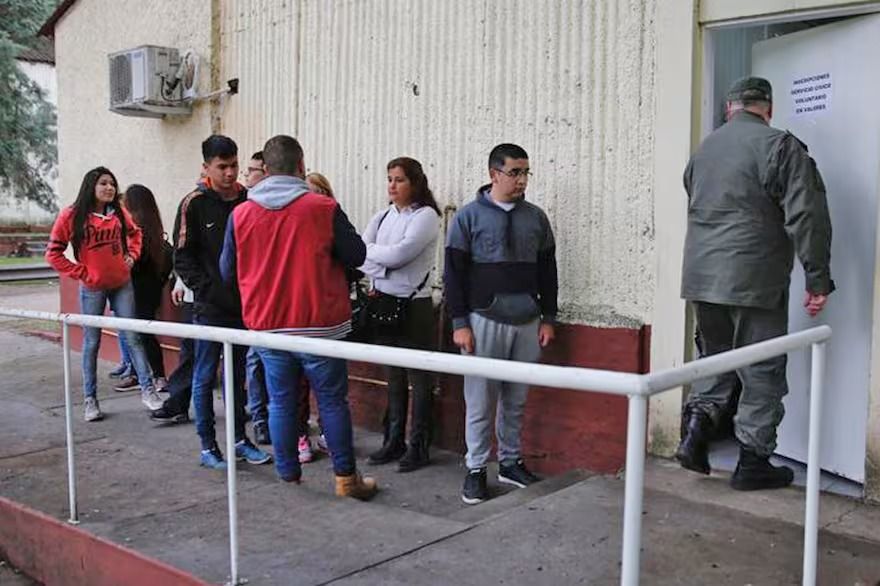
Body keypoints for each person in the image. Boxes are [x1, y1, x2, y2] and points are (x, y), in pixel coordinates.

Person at [676, 77, 834, 491]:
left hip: (701, 277)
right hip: (753, 278)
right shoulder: (780, 146)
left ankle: (694, 435)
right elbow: (807, 216)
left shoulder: (704, 150)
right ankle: (753, 463)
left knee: (714, 357)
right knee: (761, 367)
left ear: (730, 109)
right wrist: (817, 277)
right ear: (769, 108)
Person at [220, 134, 377, 499]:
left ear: (266, 169)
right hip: (320, 324)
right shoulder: (323, 207)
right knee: (332, 402)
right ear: (301, 166)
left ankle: (288, 474)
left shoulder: (240, 214)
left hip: (268, 325)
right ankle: (345, 479)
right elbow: (356, 254)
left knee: (280, 402)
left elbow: (227, 271)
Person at [444, 143, 558, 505]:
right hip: (482, 321)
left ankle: (510, 462)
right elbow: (453, 274)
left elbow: (548, 272)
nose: (522, 180)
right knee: (480, 400)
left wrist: (548, 317)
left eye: (526, 172)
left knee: (516, 399)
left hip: (527, 321)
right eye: (515, 172)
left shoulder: (536, 218)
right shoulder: (468, 217)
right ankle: (476, 468)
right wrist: (460, 323)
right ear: (494, 174)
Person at [174, 135, 271, 470]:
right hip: (208, 309)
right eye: (222, 167)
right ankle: (208, 446)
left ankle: (240, 440)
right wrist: (209, 291)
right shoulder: (194, 204)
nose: (230, 173)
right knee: (204, 376)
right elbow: (182, 258)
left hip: (244, 308)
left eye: (234, 165)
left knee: (236, 377)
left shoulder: (249, 199)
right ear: (206, 167)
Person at [45, 167, 165, 421]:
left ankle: (148, 391)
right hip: (92, 287)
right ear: (91, 186)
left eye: (112, 183)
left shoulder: (118, 212)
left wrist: (132, 256)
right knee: (92, 342)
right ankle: (90, 400)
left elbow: (136, 233)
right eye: (103, 183)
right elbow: (53, 253)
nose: (109, 188)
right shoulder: (71, 215)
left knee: (133, 336)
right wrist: (80, 272)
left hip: (122, 284)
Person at [360, 157, 441, 472]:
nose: (392, 185)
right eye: (389, 179)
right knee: (393, 377)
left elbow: (400, 255)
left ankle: (418, 445)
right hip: (383, 302)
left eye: (399, 180)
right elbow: (360, 253)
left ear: (415, 183)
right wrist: (382, 264)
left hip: (413, 305)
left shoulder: (426, 216)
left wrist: (378, 260)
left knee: (419, 379)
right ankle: (393, 440)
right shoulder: (382, 216)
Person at [121, 184, 173, 391]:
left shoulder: (136, 235)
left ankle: (153, 376)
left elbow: (129, 263)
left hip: (136, 291)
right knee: (142, 334)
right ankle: (147, 375)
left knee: (140, 334)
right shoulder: (155, 233)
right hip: (151, 291)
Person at [149, 275, 197, 424]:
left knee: (233, 356)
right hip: (194, 297)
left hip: (218, 297)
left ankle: (237, 410)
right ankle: (178, 404)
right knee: (189, 354)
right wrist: (181, 283)